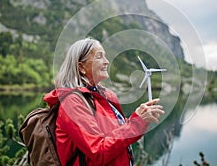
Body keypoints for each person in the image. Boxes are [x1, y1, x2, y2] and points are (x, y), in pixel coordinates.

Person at [44, 38, 165, 166]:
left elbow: (119, 135)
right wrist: (135, 123)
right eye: (99, 57)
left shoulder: (106, 96)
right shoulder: (72, 102)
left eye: (105, 56)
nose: (107, 62)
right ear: (81, 67)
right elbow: (99, 151)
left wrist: (140, 118)